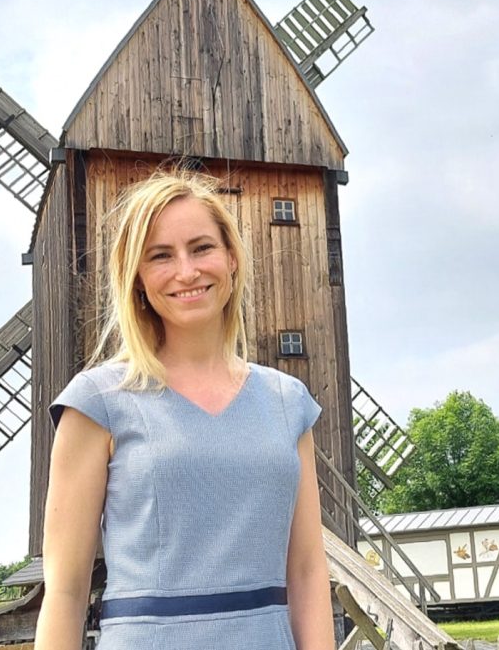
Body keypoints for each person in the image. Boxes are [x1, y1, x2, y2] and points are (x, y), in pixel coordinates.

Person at [34, 170, 335, 649]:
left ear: (232, 258)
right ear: (137, 278)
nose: (186, 271)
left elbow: (306, 570)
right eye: (160, 256)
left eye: (201, 248)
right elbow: (67, 590)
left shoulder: (288, 402)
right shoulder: (98, 402)